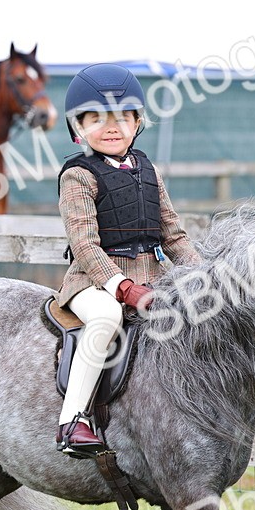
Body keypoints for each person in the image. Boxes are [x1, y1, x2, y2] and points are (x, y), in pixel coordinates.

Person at [54, 63, 201, 457]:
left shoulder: (148, 169)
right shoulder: (77, 176)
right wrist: (123, 288)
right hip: (93, 283)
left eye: (122, 117)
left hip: (152, 279)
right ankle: (73, 420)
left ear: (138, 122)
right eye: (97, 119)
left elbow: (174, 236)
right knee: (106, 317)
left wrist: (202, 274)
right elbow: (85, 246)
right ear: (78, 127)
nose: (112, 127)